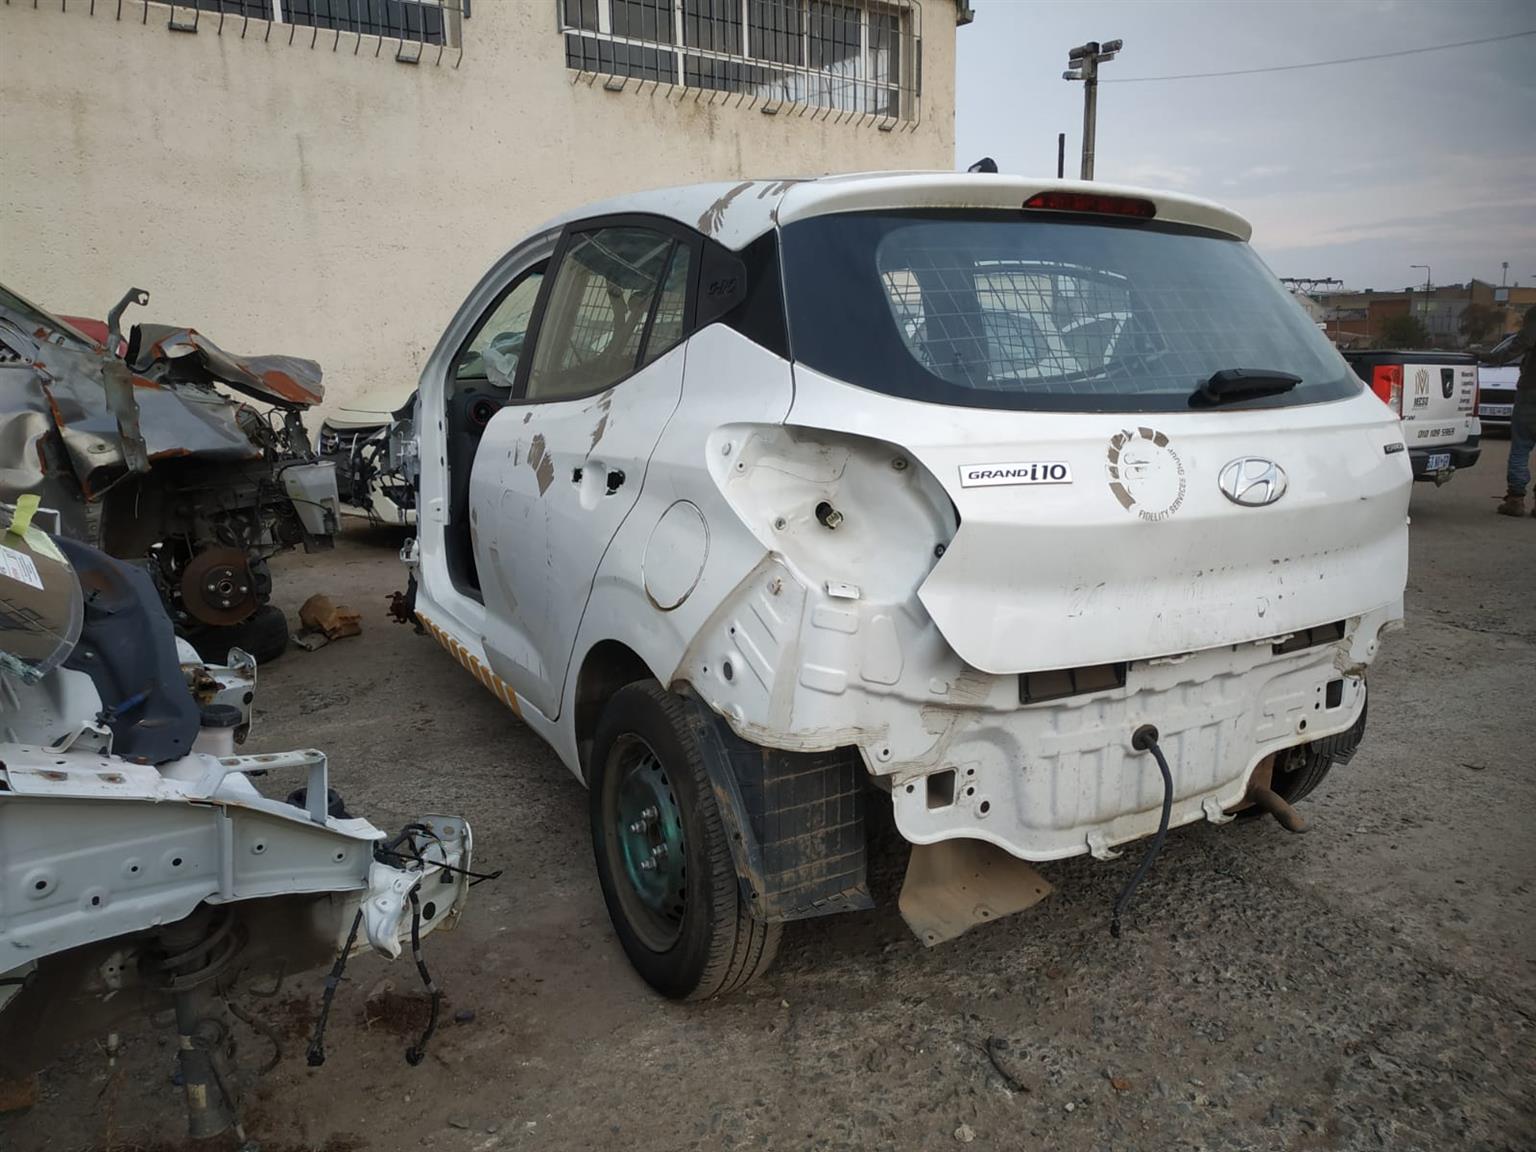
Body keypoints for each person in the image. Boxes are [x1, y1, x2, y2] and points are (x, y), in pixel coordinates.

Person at [1490, 306, 1536, 517]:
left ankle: (1516, 499)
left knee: (1521, 446)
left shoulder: (1534, 318)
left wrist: (1486, 357)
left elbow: (1515, 347)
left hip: (1531, 391)